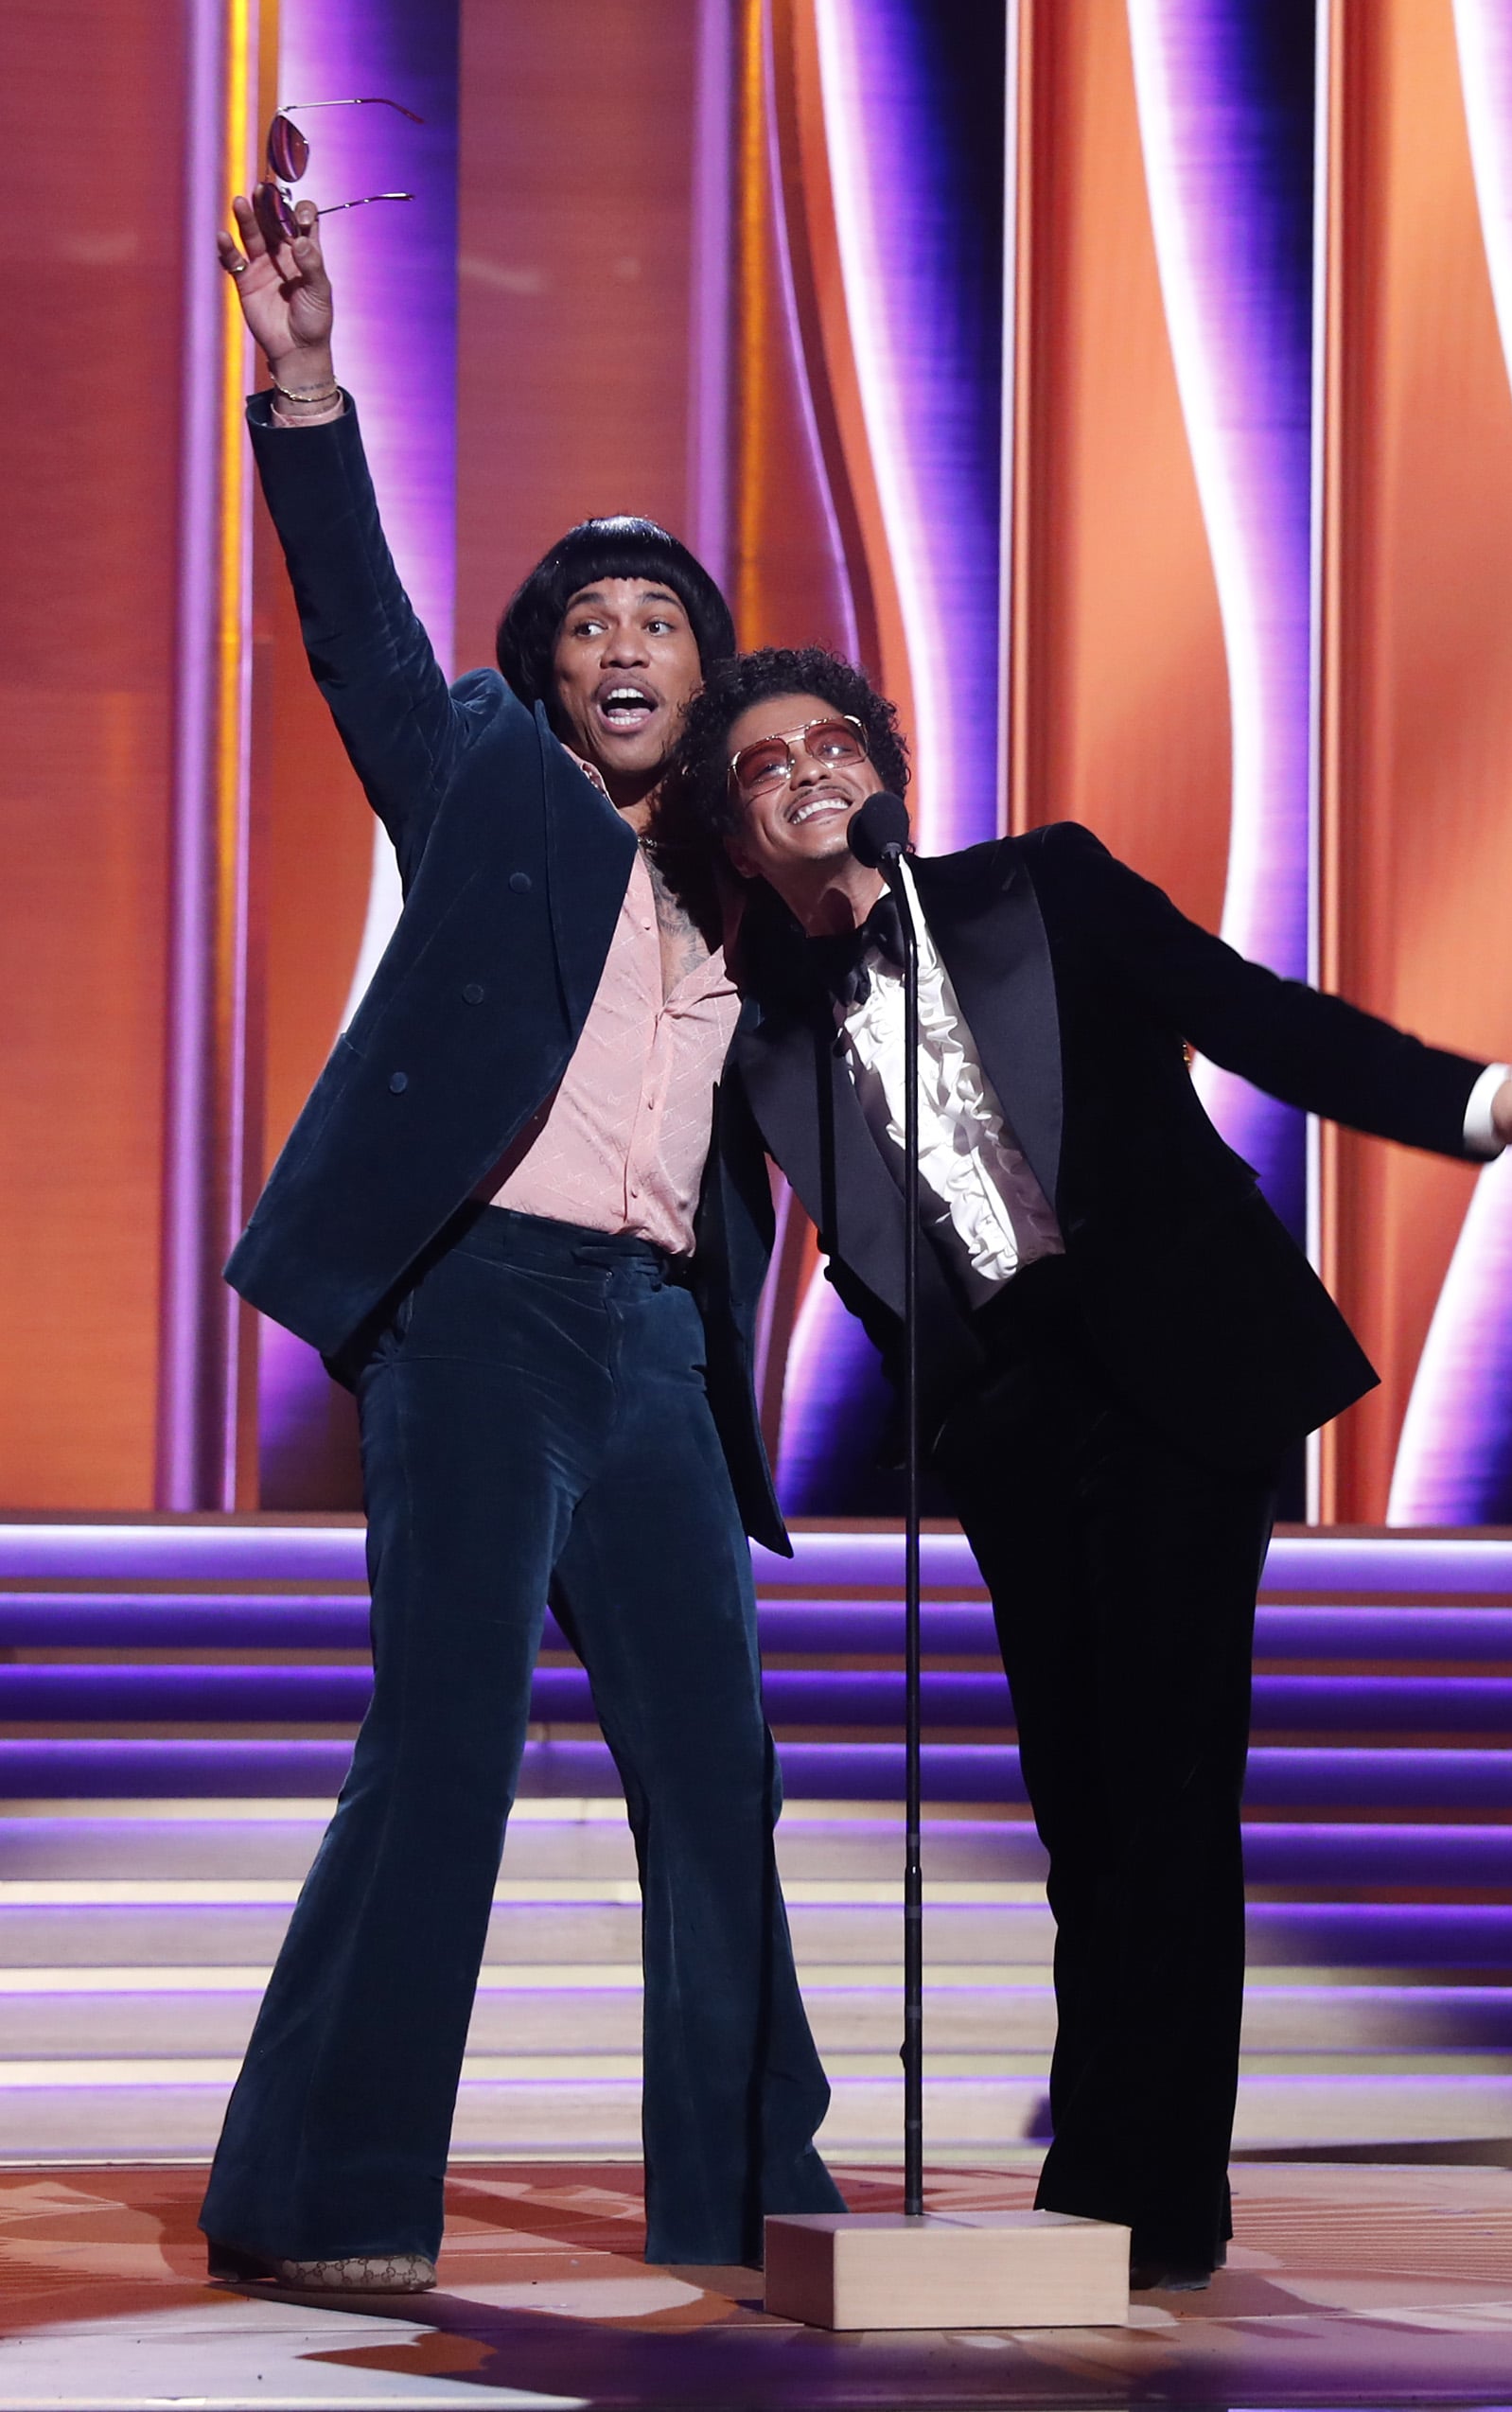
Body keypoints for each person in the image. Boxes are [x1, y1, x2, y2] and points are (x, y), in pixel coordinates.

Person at [671, 644, 1512, 2287]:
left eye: (830, 740)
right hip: (1015, 1429)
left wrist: (1478, 1097)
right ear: (741, 835)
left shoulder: (1045, 885)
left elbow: (1257, 1021)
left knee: (1170, 1792)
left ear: (884, 764)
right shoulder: (759, 1039)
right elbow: (837, 1250)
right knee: (1082, 1810)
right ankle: (1122, 2184)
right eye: (765, 765)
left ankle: (1135, 2202)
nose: (806, 768)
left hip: (1181, 1378)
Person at [197, 197, 841, 2289]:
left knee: (714, 1772)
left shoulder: (762, 887)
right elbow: (362, 629)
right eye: (590, 626)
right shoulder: (480, 776)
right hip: (475, 1313)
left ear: (706, 670)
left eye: (660, 622)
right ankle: (327, 2194)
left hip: (652, 1345)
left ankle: (749, 2188)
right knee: (448, 1742)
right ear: (547, 671)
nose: (627, 648)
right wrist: (305, 384)